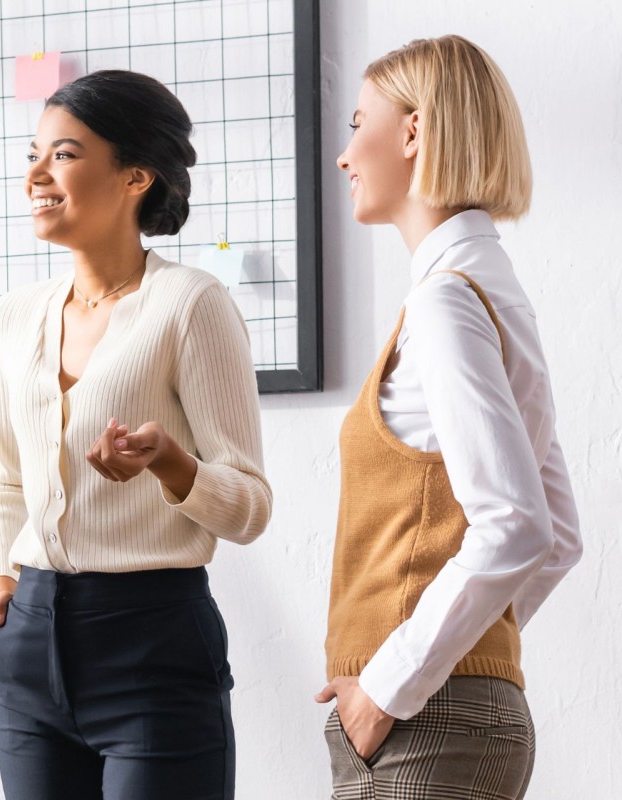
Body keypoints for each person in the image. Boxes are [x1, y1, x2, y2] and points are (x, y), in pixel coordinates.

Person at [0, 70, 272, 800]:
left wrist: (171, 464)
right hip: (27, 648)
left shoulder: (191, 305)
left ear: (135, 176)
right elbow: (1, 477)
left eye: (64, 155)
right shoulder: (12, 317)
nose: (36, 175)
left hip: (153, 646)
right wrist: (4, 578)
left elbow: (252, 508)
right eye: (32, 153)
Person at [316, 35, 582, 798]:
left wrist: (393, 682)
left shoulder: (444, 302)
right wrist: (462, 651)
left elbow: (521, 527)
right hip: (446, 715)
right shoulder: (488, 290)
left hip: (418, 727)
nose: (344, 155)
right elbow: (557, 531)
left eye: (357, 122)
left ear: (413, 131)